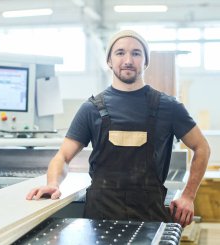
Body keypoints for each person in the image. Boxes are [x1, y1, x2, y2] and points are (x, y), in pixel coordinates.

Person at [26, 30, 210, 228]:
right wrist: (53, 183)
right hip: (100, 217)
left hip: (150, 217)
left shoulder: (169, 106)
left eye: (136, 53)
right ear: (109, 61)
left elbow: (202, 148)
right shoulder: (92, 109)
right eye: (120, 53)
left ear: (145, 62)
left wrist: (188, 196)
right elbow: (62, 156)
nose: (128, 60)